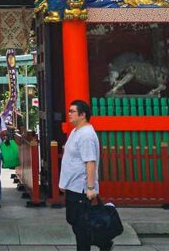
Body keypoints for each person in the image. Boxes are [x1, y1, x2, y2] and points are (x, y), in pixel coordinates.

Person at [59, 99, 108, 251]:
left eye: (72, 111)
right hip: (72, 185)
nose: (69, 114)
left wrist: (91, 187)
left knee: (81, 226)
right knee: (74, 220)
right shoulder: (75, 131)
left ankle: (100, 243)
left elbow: (90, 162)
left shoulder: (86, 135)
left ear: (83, 114)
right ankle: (102, 243)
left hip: (81, 187)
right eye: (69, 111)